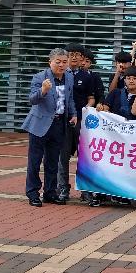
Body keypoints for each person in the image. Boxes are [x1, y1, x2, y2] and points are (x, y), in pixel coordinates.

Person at [22, 48, 77, 207]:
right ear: (50, 62)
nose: (61, 65)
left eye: (64, 62)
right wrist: (43, 90)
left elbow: (69, 98)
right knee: (35, 161)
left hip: (59, 124)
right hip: (39, 124)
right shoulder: (40, 77)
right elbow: (32, 100)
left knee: (53, 161)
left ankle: (50, 192)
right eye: (57, 62)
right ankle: (33, 193)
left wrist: (73, 113)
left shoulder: (69, 77)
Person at [57, 43, 96, 202]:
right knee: (62, 156)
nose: (73, 57)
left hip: (81, 122)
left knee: (84, 158)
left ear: (82, 58)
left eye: (77, 54)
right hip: (63, 121)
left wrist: (85, 110)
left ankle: (85, 190)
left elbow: (91, 98)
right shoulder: (59, 74)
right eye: (70, 54)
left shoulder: (87, 76)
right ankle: (62, 189)